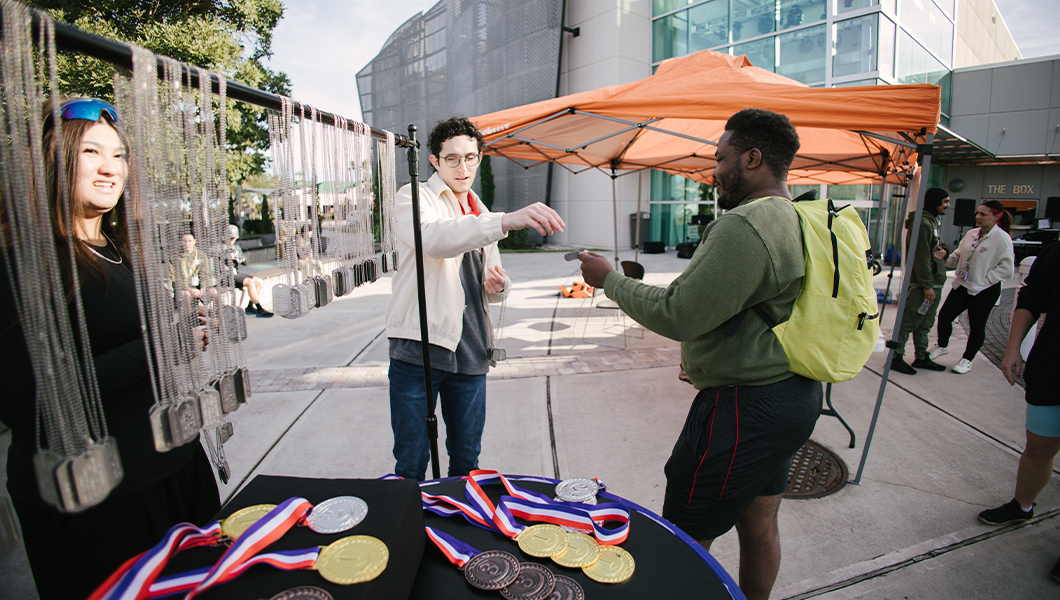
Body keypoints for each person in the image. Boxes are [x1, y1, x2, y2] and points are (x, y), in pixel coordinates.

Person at [578, 108, 822, 600]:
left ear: (753, 158)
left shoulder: (747, 223)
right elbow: (753, 311)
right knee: (760, 523)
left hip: (742, 411)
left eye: (722, 157)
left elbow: (679, 313)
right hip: (792, 395)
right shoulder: (798, 218)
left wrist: (611, 280)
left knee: (682, 541)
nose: (714, 170)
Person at [0, 98, 220, 598]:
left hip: (173, 475)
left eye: (119, 155)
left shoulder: (117, 249)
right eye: (91, 152)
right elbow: (27, 402)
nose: (109, 167)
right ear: (52, 161)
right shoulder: (22, 263)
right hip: (101, 506)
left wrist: (180, 327)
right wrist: (161, 346)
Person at [385, 116, 564, 481]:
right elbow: (434, 238)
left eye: (469, 157)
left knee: (467, 459)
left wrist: (498, 288)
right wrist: (506, 220)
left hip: (471, 350)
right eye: (451, 158)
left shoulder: (480, 210)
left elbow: (482, 283)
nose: (462, 166)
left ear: (479, 158)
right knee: (411, 463)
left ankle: (457, 527)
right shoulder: (415, 197)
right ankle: (412, 530)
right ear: (434, 160)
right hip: (419, 348)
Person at [980, 240, 1059, 583]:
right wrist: (1011, 348)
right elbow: (1031, 299)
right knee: (1038, 447)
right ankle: (1022, 505)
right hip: (1053, 369)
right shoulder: (1056, 251)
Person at [928, 200, 1014, 373]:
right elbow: (958, 257)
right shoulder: (972, 234)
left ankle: (967, 359)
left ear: (996, 217)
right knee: (945, 316)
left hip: (984, 290)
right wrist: (946, 256)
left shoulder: (1002, 238)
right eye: (978, 213)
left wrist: (985, 279)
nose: (978, 217)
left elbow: (1007, 270)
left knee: (977, 326)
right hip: (962, 285)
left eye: (983, 214)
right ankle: (943, 345)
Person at [890, 183, 951, 374]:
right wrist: (927, 285)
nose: (947, 205)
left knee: (925, 323)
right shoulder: (923, 224)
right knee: (909, 320)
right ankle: (896, 357)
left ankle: (922, 356)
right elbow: (921, 256)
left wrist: (945, 251)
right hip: (924, 285)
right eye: (945, 202)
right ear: (935, 202)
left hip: (933, 283)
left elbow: (934, 249)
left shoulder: (931, 221)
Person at [224, 224, 273, 317]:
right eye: (229, 238)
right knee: (250, 282)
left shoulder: (236, 247)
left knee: (259, 281)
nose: (231, 240)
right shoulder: (221, 248)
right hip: (226, 275)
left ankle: (250, 306)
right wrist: (226, 258)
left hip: (235, 273)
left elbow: (245, 262)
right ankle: (259, 308)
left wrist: (239, 258)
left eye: (233, 238)